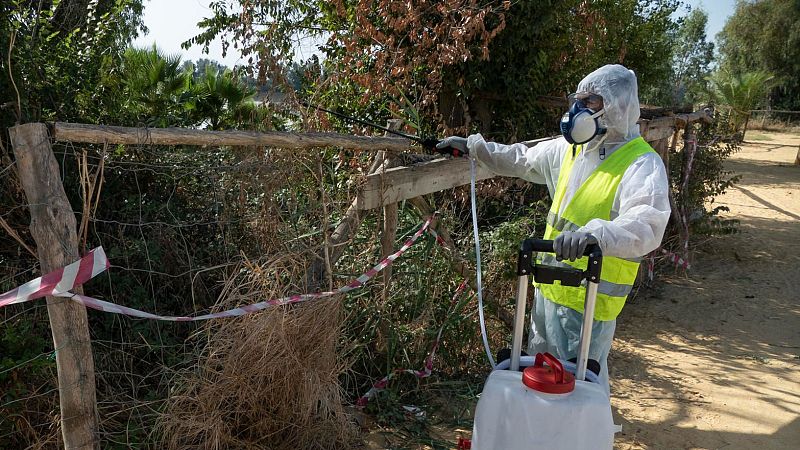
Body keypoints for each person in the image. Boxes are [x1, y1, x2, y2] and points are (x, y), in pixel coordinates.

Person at [436, 64, 670, 393]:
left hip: (588, 303)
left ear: (617, 106)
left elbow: (648, 222)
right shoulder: (572, 151)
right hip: (548, 293)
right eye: (578, 101)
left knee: (577, 391)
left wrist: (595, 235)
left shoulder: (641, 163)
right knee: (538, 382)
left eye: (590, 101)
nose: (579, 110)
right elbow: (521, 158)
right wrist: (473, 147)